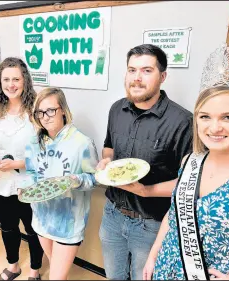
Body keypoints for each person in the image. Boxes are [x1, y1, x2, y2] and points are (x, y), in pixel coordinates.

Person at [97, 44, 193, 280]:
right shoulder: (116, 109)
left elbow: (189, 183)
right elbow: (109, 147)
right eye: (132, 70)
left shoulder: (183, 121)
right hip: (112, 214)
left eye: (146, 71)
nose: (136, 78)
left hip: (151, 224)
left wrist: (147, 191)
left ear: (162, 76)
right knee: (114, 276)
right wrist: (106, 161)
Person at [143, 85, 229, 280]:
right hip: (166, 268)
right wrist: (153, 255)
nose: (215, 127)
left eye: (228, 117)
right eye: (205, 117)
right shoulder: (190, 162)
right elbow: (174, 213)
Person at [23, 87, 99, 280]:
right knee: (57, 272)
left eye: (51, 110)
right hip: (41, 218)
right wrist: (27, 188)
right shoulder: (34, 142)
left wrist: (76, 181)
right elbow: (32, 172)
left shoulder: (82, 142)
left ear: (63, 110)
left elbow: (94, 178)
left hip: (68, 223)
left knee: (56, 277)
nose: (45, 117)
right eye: (40, 112)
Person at [0, 57, 44, 281]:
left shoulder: (37, 111)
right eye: (6, 79)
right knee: (7, 227)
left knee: (33, 228)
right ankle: (14, 266)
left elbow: (48, 154)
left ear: (25, 80)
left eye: (16, 79)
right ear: (0, 82)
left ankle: (35, 269)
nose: (11, 84)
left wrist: (17, 164)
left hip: (28, 182)